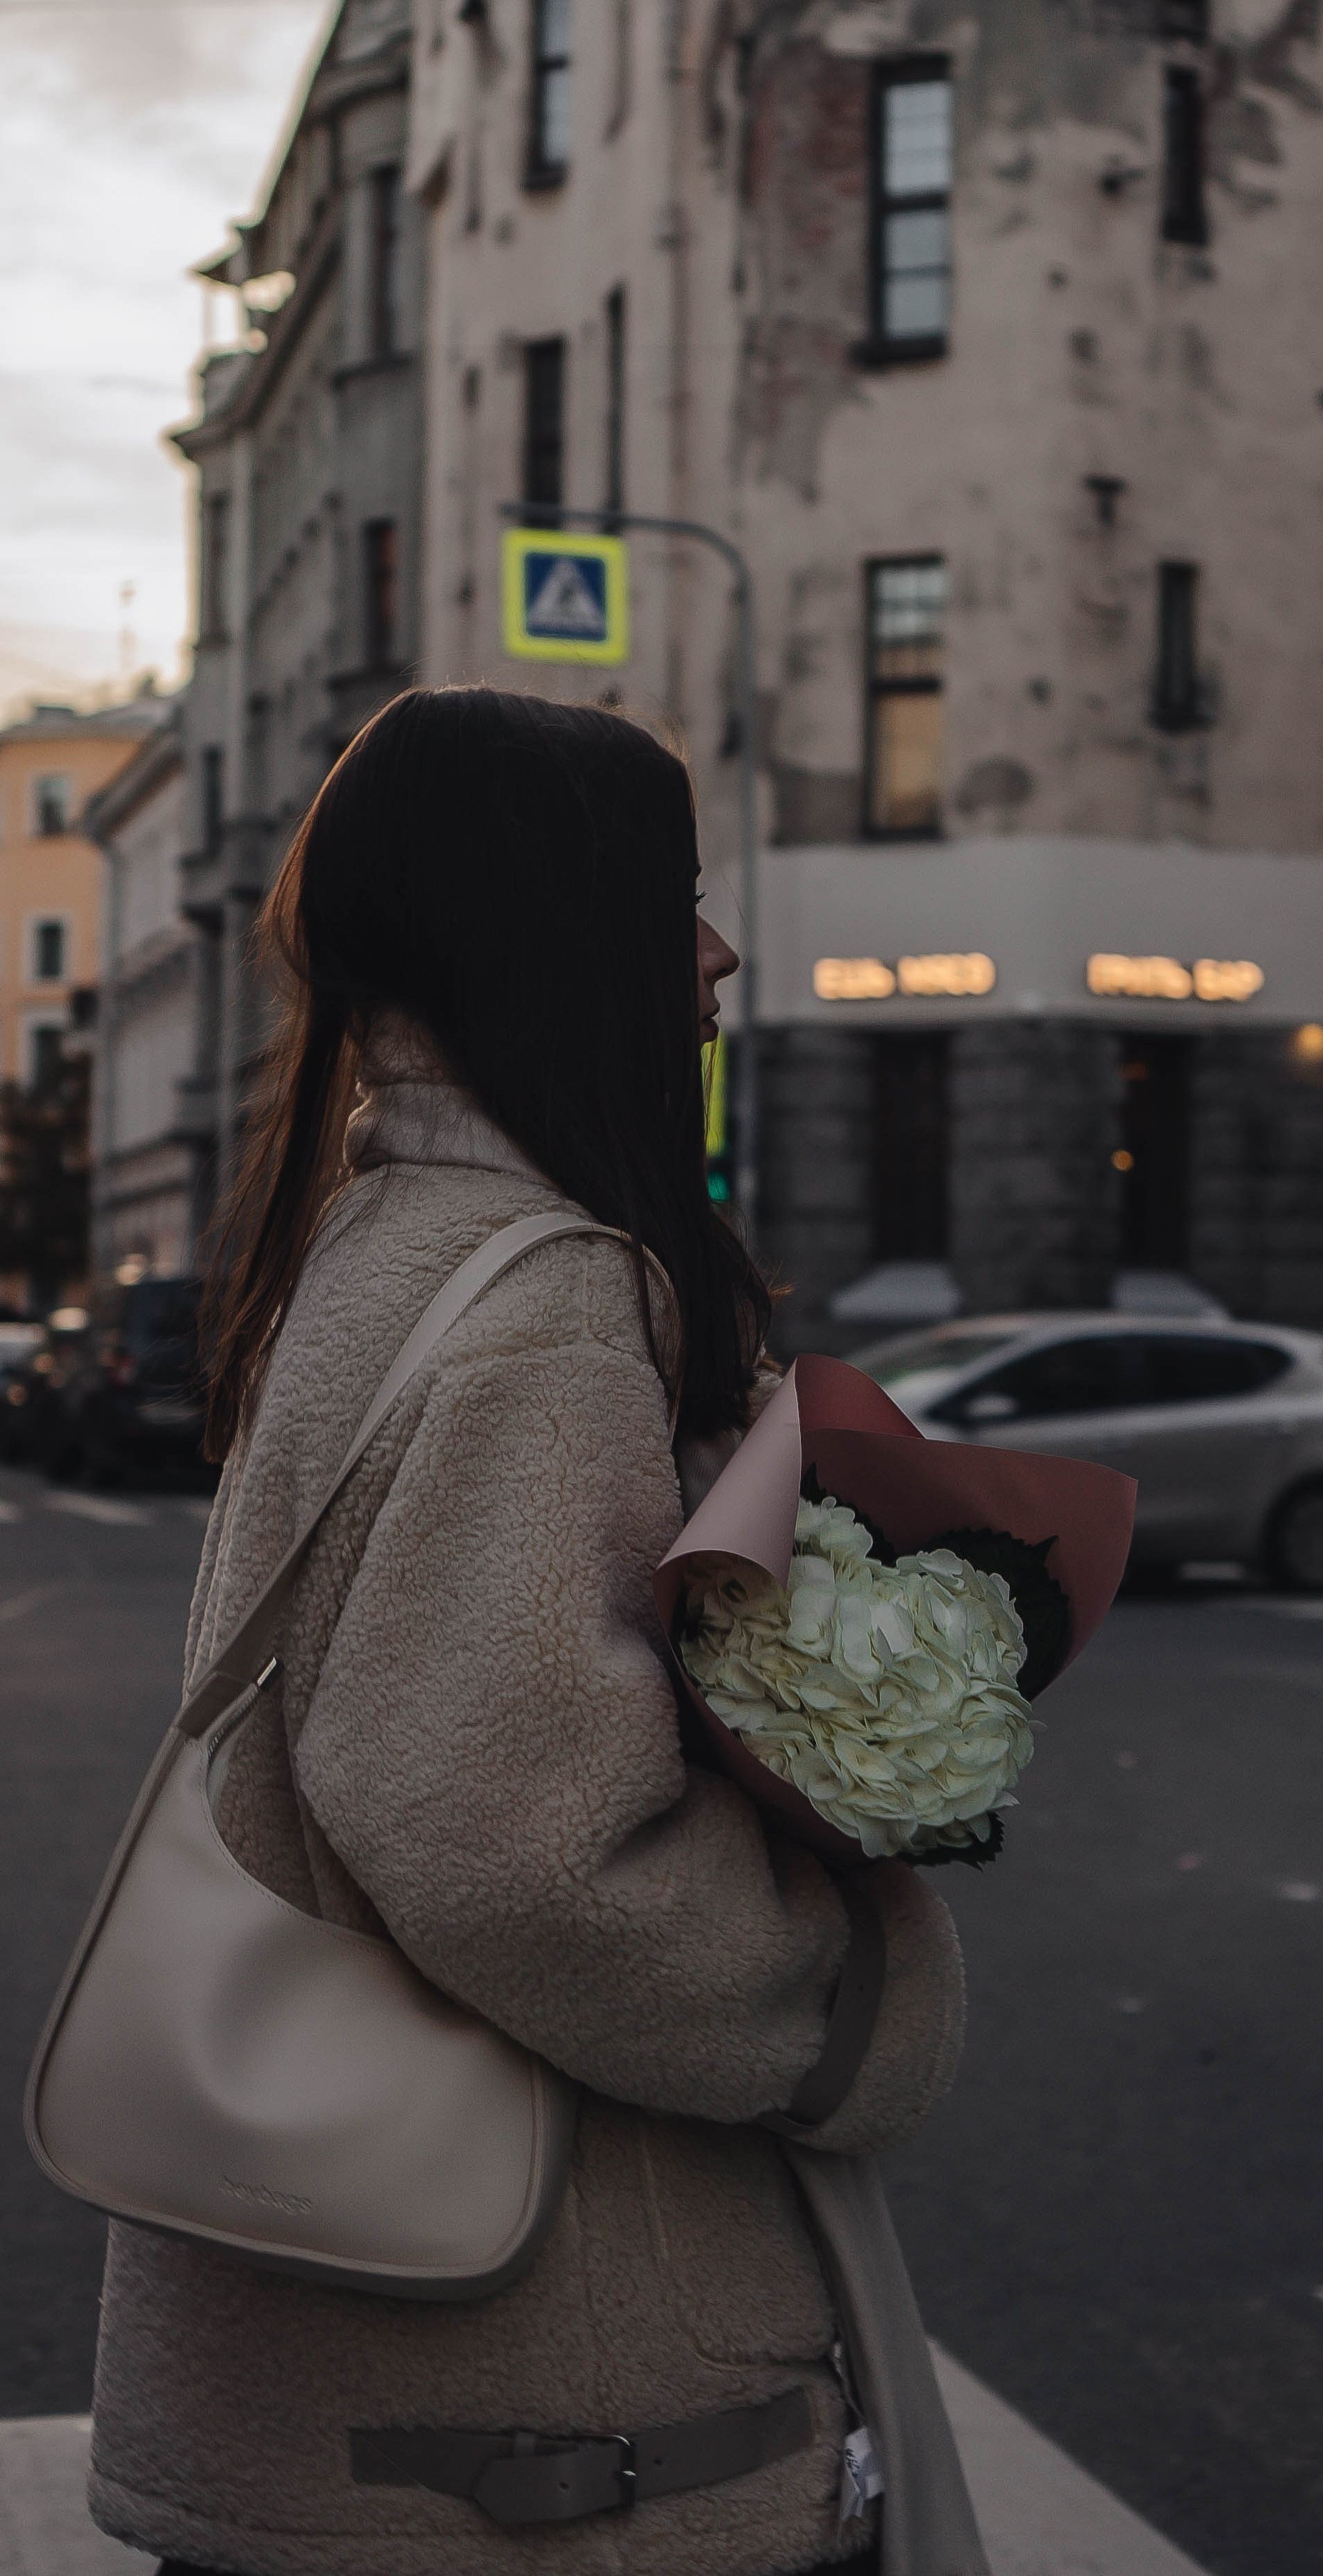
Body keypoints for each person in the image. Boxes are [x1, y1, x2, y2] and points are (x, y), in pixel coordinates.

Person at [88, 687, 972, 2576]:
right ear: (555, 937)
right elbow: (513, 1845)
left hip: (350, 2378)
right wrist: (845, 2003)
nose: (716, 958)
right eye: (674, 904)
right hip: (538, 2427)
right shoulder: (545, 1303)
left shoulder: (372, 1244)